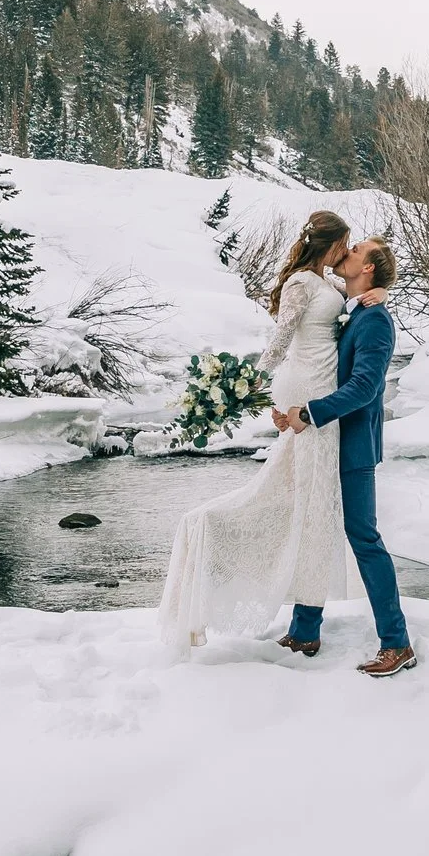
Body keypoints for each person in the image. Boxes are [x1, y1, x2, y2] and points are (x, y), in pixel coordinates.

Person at [155, 212, 359, 650]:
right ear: (332, 242)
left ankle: (306, 618)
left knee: (308, 500)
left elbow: (348, 312)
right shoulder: (301, 283)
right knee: (304, 499)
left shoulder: (325, 281)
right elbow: (283, 336)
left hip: (320, 389)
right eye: (346, 242)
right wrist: (244, 382)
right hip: (306, 387)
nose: (349, 249)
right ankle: (226, 553)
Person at [275, 237, 413, 678]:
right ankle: (304, 631)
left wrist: (311, 413)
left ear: (368, 268)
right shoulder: (351, 308)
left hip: (351, 445)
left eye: (355, 250)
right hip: (325, 440)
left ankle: (397, 643)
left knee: (363, 538)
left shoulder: (374, 320)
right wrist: (295, 408)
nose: (346, 252)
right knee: (314, 526)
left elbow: (366, 388)